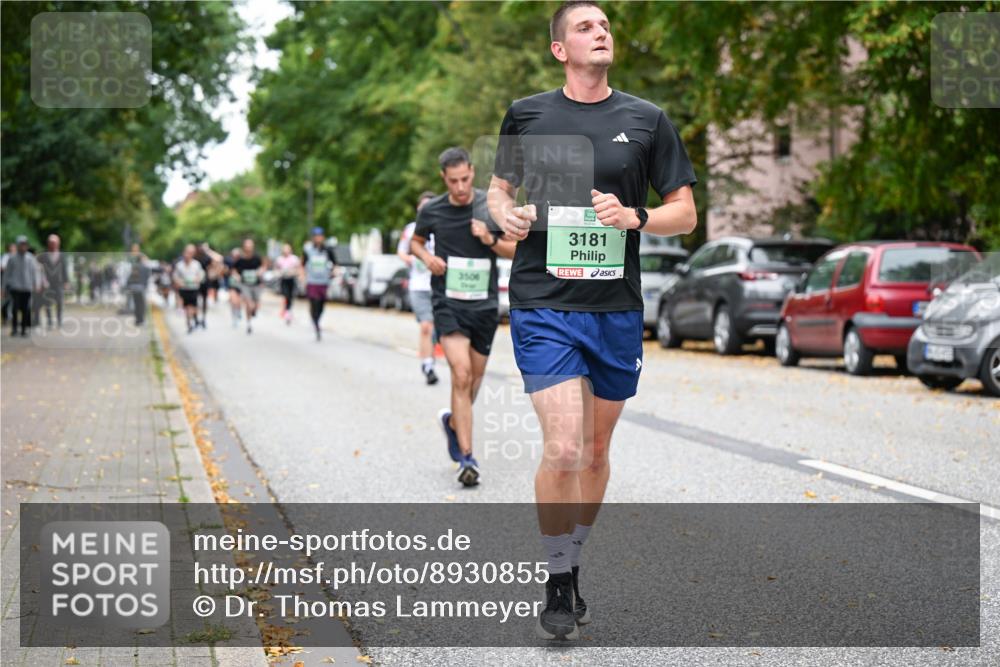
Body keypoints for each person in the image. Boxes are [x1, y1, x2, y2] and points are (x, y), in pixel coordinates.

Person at [487, 1, 698, 640]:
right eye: (585, 27)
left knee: (598, 450)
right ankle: (556, 579)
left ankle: (573, 562)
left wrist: (636, 218)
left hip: (614, 308)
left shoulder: (647, 120)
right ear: (560, 50)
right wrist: (507, 215)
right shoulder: (527, 114)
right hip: (543, 302)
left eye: (605, 25)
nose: (601, 32)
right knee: (565, 445)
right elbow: (500, 190)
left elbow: (685, 214)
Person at [410, 147, 516, 487]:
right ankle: (467, 458)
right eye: (453, 181)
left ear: (473, 171)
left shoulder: (491, 205)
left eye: (465, 179)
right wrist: (427, 258)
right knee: (461, 372)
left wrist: (489, 240)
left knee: (473, 382)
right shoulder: (433, 210)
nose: (460, 187)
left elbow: (516, 248)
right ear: (444, 178)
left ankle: (455, 423)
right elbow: (415, 242)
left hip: (484, 305)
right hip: (448, 303)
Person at [397, 191, 440, 385]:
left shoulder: (442, 228)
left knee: (436, 329)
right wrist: (414, 260)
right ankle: (428, 364)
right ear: (418, 208)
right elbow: (401, 252)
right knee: (425, 326)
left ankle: (430, 357)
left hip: (439, 285)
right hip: (418, 286)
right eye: (423, 206)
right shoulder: (411, 229)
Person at [300, 227, 336, 341]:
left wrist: (334, 271)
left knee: (321, 304)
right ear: (313, 238)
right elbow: (302, 264)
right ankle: (315, 324)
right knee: (314, 302)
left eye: (320, 236)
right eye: (316, 236)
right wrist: (302, 276)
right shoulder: (308, 250)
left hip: (324, 281)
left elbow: (335, 264)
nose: (318, 238)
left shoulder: (328, 250)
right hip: (312, 281)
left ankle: (317, 320)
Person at [5, 236, 42, 337]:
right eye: (21, 245)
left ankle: (24, 329)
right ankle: (14, 329)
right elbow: (7, 274)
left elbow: (35, 272)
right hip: (15, 287)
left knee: (26, 309)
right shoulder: (12, 258)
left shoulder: (30, 258)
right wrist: (3, 287)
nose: (23, 247)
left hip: (27, 287)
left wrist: (37, 284)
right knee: (15, 308)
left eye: (24, 245)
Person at [233, 238, 266, 335]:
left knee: (255, 305)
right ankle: (249, 324)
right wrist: (237, 276)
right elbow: (234, 270)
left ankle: (254, 311)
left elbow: (263, 266)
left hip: (256, 285)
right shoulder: (240, 259)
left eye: (250, 245)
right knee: (248, 304)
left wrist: (260, 271)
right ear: (244, 247)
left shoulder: (257, 257)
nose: (248, 247)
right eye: (247, 245)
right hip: (245, 284)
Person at [37, 234, 69, 329]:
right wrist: (40, 282)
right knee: (47, 302)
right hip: (47, 283)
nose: (53, 245)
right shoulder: (43, 256)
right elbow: (38, 270)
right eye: (51, 243)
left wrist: (66, 281)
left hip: (58, 282)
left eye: (55, 243)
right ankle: (50, 321)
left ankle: (59, 320)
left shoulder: (62, 256)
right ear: (48, 244)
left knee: (59, 302)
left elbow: (64, 269)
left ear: (58, 244)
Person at [173, 244, 206, 334]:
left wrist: (197, 279)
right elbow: (175, 276)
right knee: (186, 307)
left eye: (190, 253)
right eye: (186, 253)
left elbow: (201, 274)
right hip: (184, 289)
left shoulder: (196, 264)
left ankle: (193, 319)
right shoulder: (179, 265)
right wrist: (179, 282)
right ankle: (189, 323)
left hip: (194, 289)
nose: (187, 255)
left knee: (192, 306)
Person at [125, 244, 152, 325]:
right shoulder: (145, 267)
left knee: (137, 304)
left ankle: (138, 320)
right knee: (142, 305)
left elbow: (129, 279)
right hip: (141, 287)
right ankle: (141, 320)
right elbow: (147, 277)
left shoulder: (134, 267)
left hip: (134, 287)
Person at [275, 243, 301, 325]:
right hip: (283, 279)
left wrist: (295, 272)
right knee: (285, 295)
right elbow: (276, 269)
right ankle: (287, 310)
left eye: (287, 249)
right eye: (284, 249)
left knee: (291, 296)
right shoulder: (279, 259)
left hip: (292, 279)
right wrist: (278, 273)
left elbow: (298, 268)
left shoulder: (294, 258)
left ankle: (289, 310)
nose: (286, 251)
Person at [224, 247, 243, 327]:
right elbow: (224, 272)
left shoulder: (242, 263)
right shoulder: (229, 263)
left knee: (238, 302)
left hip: (240, 285)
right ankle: (234, 318)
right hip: (231, 285)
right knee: (233, 301)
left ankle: (238, 311)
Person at [1, 242, 15, 325]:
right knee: (6, 301)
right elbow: (2, 268)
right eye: (11, 248)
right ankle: (5, 318)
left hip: (16, 283)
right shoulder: (5, 257)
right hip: (6, 283)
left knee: (13, 301)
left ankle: (11, 317)